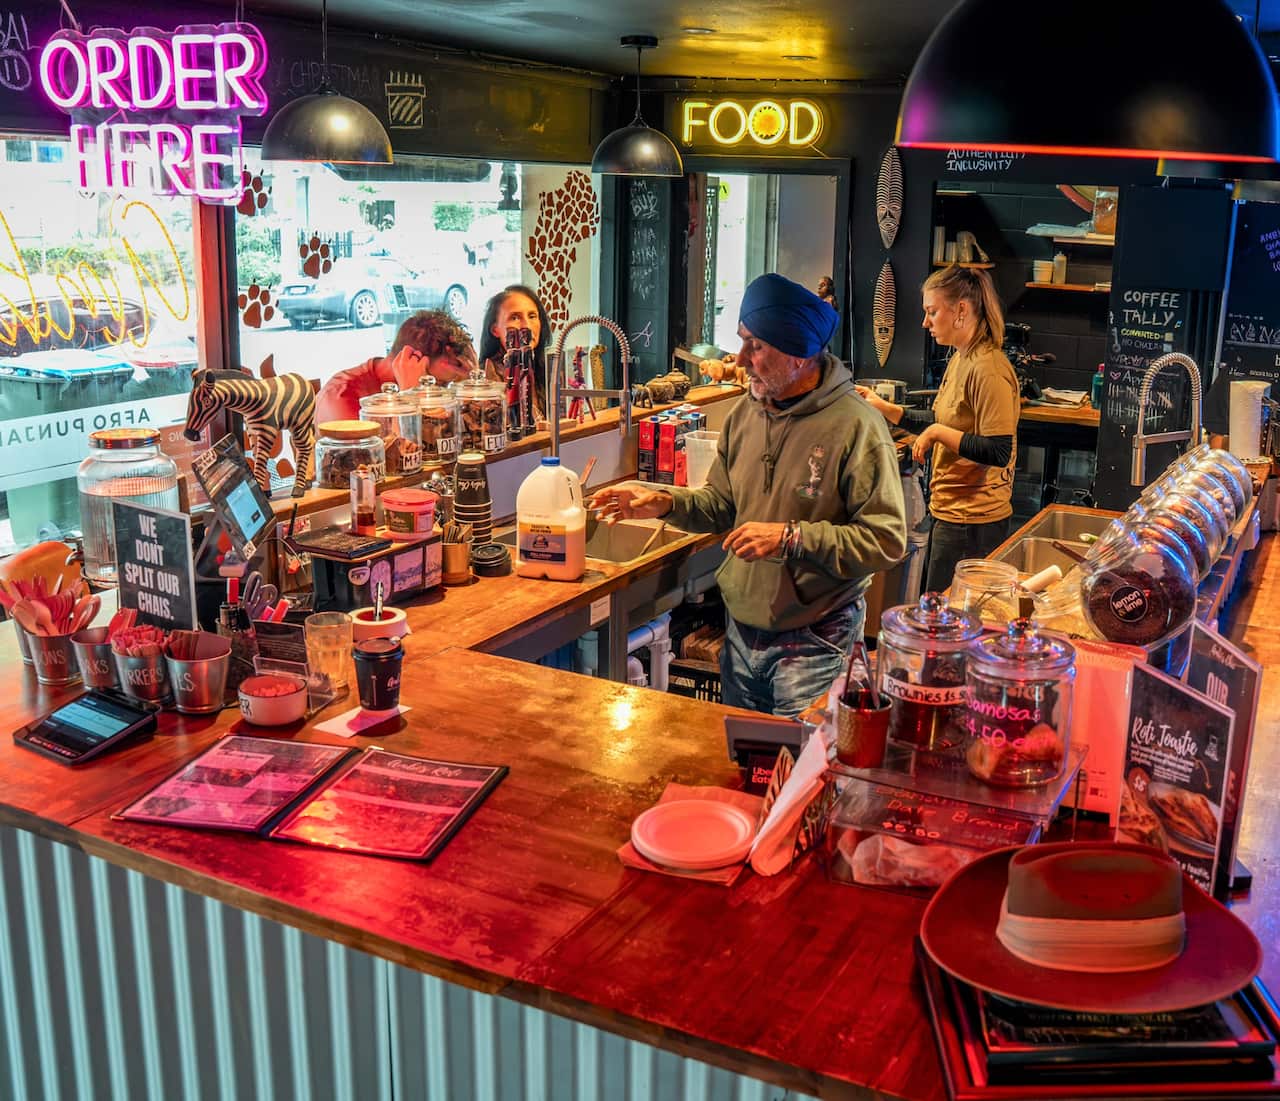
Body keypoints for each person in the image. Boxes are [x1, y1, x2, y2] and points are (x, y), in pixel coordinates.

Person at [587, 273, 907, 718]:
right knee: (743, 770)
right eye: (742, 342)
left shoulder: (857, 427)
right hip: (739, 637)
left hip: (815, 643)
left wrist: (790, 538)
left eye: (756, 346)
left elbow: (887, 540)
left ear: (798, 354)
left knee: (801, 776)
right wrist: (665, 501)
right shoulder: (743, 416)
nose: (740, 359)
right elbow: (721, 507)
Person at [856, 265, 1019, 593]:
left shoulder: (988, 369)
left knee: (947, 628)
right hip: (953, 513)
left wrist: (937, 435)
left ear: (961, 309)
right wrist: (887, 409)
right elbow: (946, 419)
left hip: (973, 522)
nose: (925, 323)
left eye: (932, 312)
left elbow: (998, 450)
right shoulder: (962, 358)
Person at [315, 309, 476, 422]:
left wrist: (471, 389)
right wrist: (410, 396)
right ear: (409, 360)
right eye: (437, 384)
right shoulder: (342, 396)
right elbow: (380, 463)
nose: (439, 393)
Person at [477, 285, 552, 424]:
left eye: (532, 316)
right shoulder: (483, 380)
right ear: (495, 330)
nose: (527, 326)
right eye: (515, 317)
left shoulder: (549, 370)